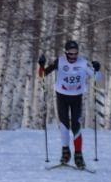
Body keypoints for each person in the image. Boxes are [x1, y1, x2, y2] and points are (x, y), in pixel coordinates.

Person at [37, 39, 102, 169]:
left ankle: (78, 155)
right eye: (70, 53)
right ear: (66, 53)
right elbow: (42, 75)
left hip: (77, 97)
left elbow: (97, 78)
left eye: (75, 53)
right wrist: (41, 65)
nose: (73, 56)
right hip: (61, 96)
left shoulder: (83, 63)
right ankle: (65, 153)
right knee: (64, 125)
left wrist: (97, 69)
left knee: (76, 125)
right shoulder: (59, 61)